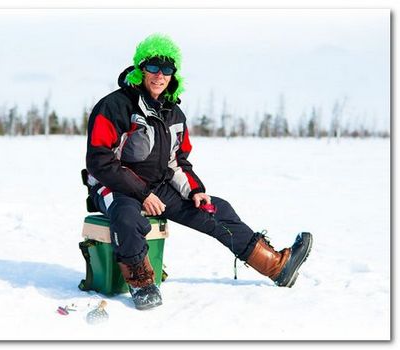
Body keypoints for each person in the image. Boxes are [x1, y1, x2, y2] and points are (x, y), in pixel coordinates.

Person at [85, 33, 312, 310]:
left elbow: (177, 162)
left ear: (173, 74)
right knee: (126, 216)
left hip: (157, 188)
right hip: (114, 186)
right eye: (153, 67)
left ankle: (277, 266)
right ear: (140, 69)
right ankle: (142, 284)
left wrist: (194, 190)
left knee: (218, 210)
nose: (160, 75)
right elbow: (100, 161)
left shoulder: (173, 114)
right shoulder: (115, 106)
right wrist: (142, 194)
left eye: (167, 69)